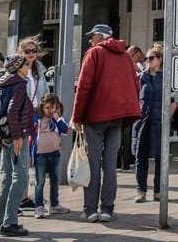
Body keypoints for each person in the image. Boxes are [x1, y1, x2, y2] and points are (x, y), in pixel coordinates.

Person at [72, 24, 140, 224]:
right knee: (110, 165)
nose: (90, 40)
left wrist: (77, 116)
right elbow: (135, 85)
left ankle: (90, 210)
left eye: (92, 36)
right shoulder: (126, 57)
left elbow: (83, 86)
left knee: (93, 163)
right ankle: (108, 209)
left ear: (101, 36)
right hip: (117, 117)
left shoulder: (94, 53)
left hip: (96, 116)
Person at [0, 54, 36, 238]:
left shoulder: (4, 83)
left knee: (7, 177)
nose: (28, 67)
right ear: (19, 67)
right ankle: (10, 222)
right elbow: (12, 112)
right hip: (16, 137)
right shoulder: (19, 84)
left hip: (4, 136)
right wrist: (18, 137)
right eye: (26, 64)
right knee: (20, 177)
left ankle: (0, 220)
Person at [134, 44, 174, 203]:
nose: (147, 61)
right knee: (140, 156)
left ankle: (158, 190)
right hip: (142, 120)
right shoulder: (141, 77)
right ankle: (141, 190)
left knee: (160, 156)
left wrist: (166, 117)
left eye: (151, 58)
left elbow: (174, 101)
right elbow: (134, 96)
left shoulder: (166, 78)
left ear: (160, 59)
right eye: (146, 59)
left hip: (159, 121)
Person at [15, 37, 49, 212]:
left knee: (33, 158)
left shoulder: (39, 68)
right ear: (21, 52)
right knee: (22, 159)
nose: (31, 54)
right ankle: (20, 197)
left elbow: (45, 92)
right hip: (22, 116)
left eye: (33, 51)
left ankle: (26, 196)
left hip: (37, 115)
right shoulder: (15, 69)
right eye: (27, 51)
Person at [31, 93, 70, 218]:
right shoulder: (36, 119)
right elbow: (30, 137)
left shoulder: (58, 120)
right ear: (42, 107)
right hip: (40, 155)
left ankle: (54, 204)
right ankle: (39, 207)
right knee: (40, 182)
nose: (50, 111)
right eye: (47, 108)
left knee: (55, 180)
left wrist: (57, 118)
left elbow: (66, 130)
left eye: (52, 108)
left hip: (54, 154)